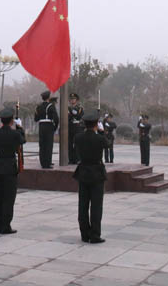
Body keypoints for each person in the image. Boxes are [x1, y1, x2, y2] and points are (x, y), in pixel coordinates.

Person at [73, 113, 107, 243]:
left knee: (83, 205)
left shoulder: (78, 137)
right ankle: (95, 234)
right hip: (97, 172)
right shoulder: (100, 138)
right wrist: (102, 132)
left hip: (83, 172)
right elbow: (108, 144)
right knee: (96, 206)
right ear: (96, 124)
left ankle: (84, 234)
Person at [0, 107, 26, 234]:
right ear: (12, 121)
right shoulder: (15, 134)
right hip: (9, 167)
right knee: (8, 198)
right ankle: (5, 226)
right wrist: (20, 128)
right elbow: (23, 140)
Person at [34, 90, 59, 169]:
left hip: (41, 126)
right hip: (49, 126)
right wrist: (54, 128)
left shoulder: (38, 106)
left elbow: (36, 119)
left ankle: (43, 163)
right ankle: (47, 163)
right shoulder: (51, 106)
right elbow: (56, 118)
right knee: (48, 145)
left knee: (42, 145)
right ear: (48, 97)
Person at [67, 93, 84, 164]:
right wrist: (72, 114)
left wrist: (72, 113)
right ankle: (71, 159)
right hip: (70, 126)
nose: (72, 100)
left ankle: (77, 159)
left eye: (73, 99)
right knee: (70, 144)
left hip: (77, 127)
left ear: (76, 100)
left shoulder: (80, 108)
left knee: (77, 144)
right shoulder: (67, 108)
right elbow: (68, 117)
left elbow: (80, 117)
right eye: (71, 99)